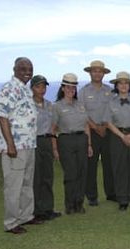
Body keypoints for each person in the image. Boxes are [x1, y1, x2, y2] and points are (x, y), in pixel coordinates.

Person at [0, 57, 43, 234]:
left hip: (29, 144)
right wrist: (10, 145)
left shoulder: (25, 90)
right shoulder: (9, 89)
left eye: (30, 68)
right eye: (22, 68)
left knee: (26, 183)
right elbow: (2, 117)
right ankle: (11, 222)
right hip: (15, 146)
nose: (27, 72)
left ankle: (25, 216)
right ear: (14, 69)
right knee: (13, 185)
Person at [103, 72, 130, 211]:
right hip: (117, 137)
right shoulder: (111, 103)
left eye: (126, 83)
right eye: (120, 83)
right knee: (119, 168)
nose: (123, 85)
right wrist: (123, 137)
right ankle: (122, 199)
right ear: (116, 85)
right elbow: (108, 122)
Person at [51, 73, 93, 214]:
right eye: (68, 87)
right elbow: (53, 129)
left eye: (73, 88)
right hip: (66, 140)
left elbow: (86, 125)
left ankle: (79, 204)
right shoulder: (56, 106)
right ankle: (69, 205)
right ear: (62, 88)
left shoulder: (80, 105)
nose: (71, 90)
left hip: (82, 140)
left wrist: (89, 145)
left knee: (82, 173)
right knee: (70, 174)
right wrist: (55, 149)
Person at [78, 60, 115, 206]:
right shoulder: (83, 92)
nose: (97, 73)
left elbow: (113, 111)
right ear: (90, 72)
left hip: (107, 131)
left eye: (100, 71)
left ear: (103, 73)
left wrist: (105, 126)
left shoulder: (110, 91)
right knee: (90, 165)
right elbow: (82, 113)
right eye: (94, 70)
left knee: (109, 164)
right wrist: (95, 127)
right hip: (91, 132)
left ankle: (111, 193)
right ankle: (92, 196)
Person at [31, 75, 62, 220]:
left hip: (47, 141)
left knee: (48, 176)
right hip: (33, 142)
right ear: (32, 88)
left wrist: (55, 148)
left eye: (44, 86)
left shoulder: (50, 105)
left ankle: (48, 208)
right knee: (36, 177)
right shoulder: (27, 105)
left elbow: (53, 128)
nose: (42, 89)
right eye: (38, 86)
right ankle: (36, 211)